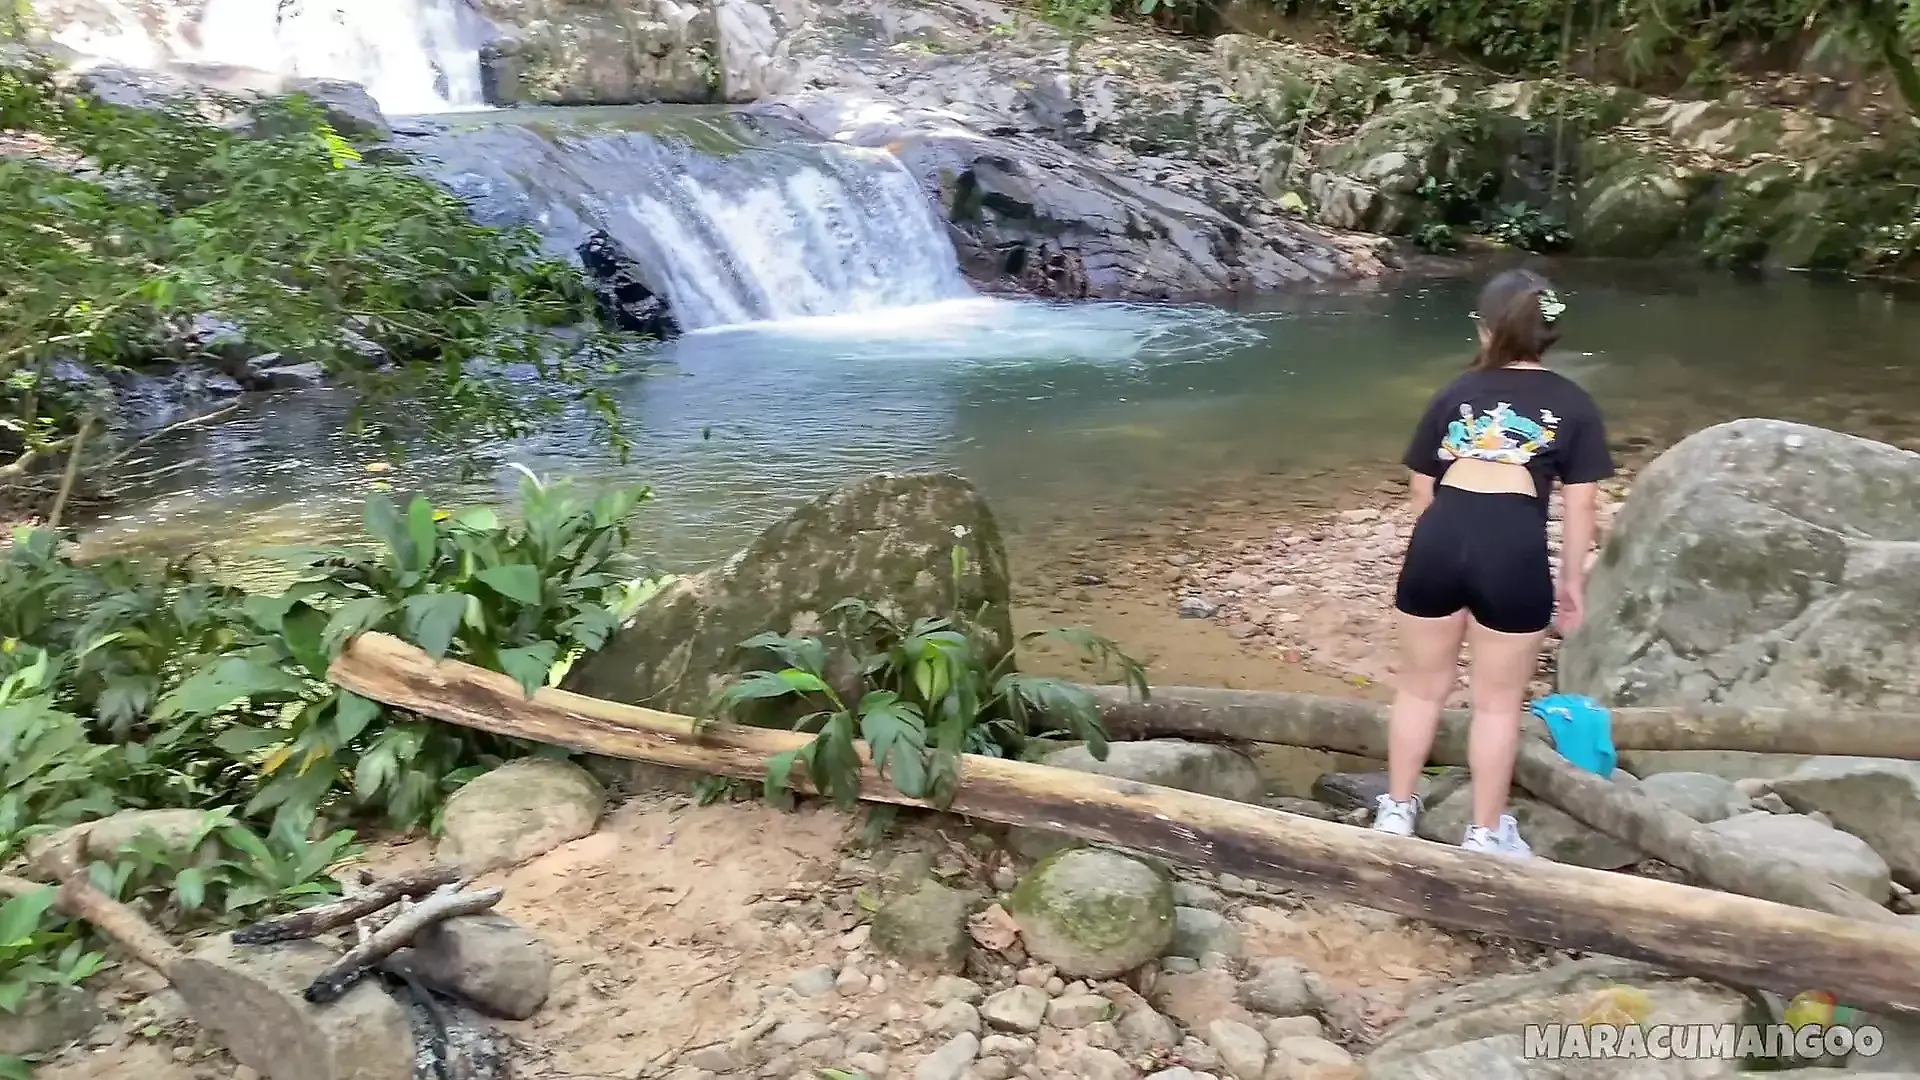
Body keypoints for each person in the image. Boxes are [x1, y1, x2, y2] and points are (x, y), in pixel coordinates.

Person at [1370, 268, 1614, 859]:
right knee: (1497, 704)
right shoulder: (1574, 403)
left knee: (1419, 690)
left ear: (1485, 330)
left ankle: (1396, 811)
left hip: (1440, 538)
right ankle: (1485, 834)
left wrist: (1442, 542)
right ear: (1548, 334)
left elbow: (1421, 489)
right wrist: (1571, 583)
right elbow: (1581, 506)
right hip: (1512, 548)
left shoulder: (1455, 392)